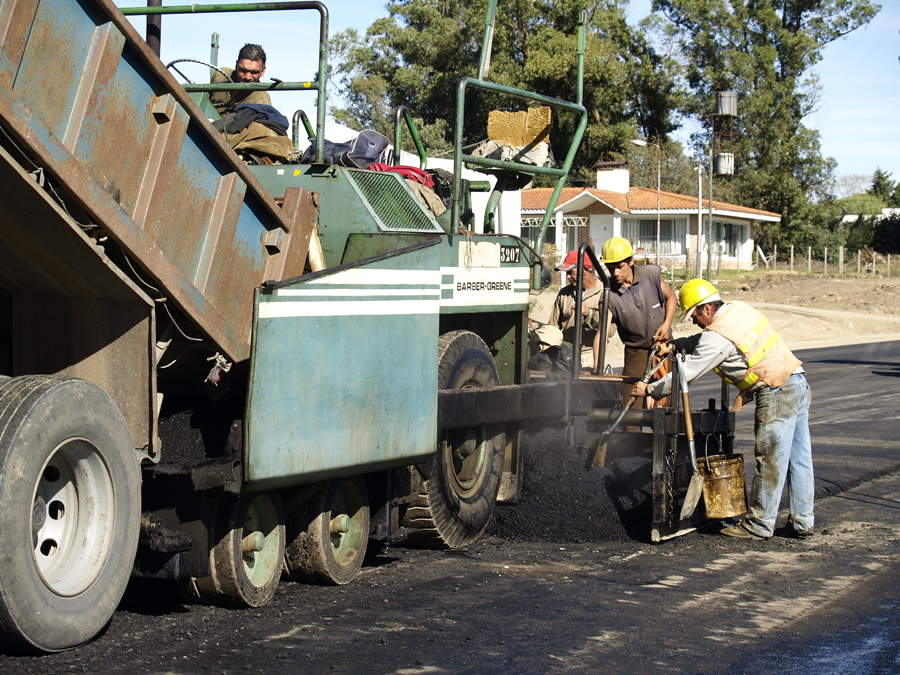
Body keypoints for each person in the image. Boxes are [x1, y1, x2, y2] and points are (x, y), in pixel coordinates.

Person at [631, 278, 814, 540]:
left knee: (770, 457)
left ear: (705, 309)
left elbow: (687, 373)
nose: (693, 320)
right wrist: (678, 344)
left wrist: (649, 390)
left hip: (776, 392)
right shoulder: (737, 310)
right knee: (799, 458)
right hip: (796, 381)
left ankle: (760, 524)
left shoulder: (717, 338)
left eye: (693, 314)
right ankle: (803, 521)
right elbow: (709, 339)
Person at [592, 237, 677, 406]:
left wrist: (666, 324)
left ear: (630, 261)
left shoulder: (651, 274)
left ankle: (665, 432)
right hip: (635, 352)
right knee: (631, 405)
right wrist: (597, 363)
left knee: (666, 402)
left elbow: (671, 298)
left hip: (664, 347)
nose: (615, 273)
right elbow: (602, 333)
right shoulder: (609, 295)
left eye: (619, 267)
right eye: (610, 268)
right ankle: (631, 432)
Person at [548, 250, 603, 363]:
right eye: (566, 273)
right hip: (565, 353)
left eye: (571, 272)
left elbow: (610, 331)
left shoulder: (604, 293)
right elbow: (552, 326)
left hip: (591, 355)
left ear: (585, 270)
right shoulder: (564, 293)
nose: (567, 276)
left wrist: (589, 314)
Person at [210, 43, 271, 113]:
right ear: (236, 66)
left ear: (263, 71)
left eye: (254, 72)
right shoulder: (220, 76)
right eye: (243, 70)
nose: (248, 77)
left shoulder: (262, 102)